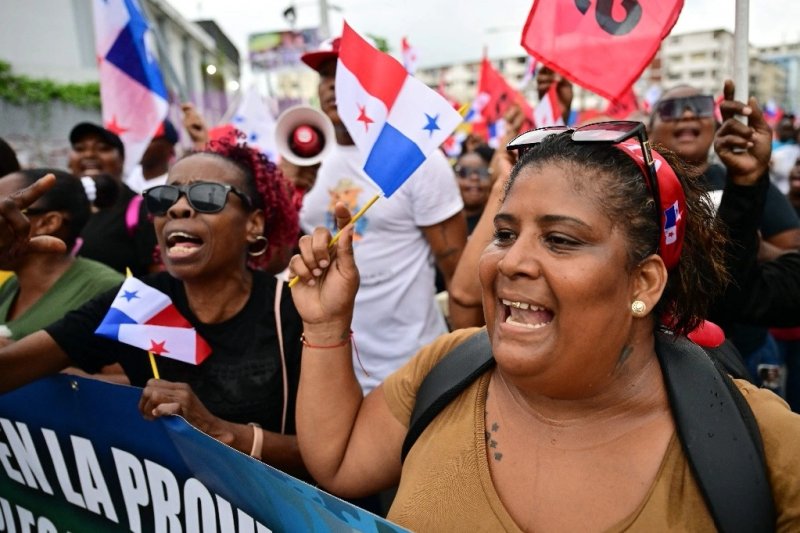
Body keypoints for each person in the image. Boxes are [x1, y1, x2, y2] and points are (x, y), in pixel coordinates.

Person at [289, 117, 800, 530]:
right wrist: (329, 325)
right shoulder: (446, 367)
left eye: (560, 240)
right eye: (506, 234)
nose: (512, 263)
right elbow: (337, 461)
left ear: (643, 283)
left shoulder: (764, 442)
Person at [0, 136, 306, 475]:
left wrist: (221, 431)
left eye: (207, 196)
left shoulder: (291, 310)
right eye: (165, 198)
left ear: (254, 224)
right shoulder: (139, 303)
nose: (177, 208)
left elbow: (333, 455)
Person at [297, 37, 467, 393]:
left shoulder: (417, 161)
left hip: (417, 368)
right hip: (335, 369)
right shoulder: (307, 166)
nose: (331, 84)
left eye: (344, 73)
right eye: (325, 74)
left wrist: (467, 369)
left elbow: (460, 278)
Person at [0, 168, 123, 341]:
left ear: (48, 223)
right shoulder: (11, 285)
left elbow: (136, 368)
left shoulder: (107, 289)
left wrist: (17, 357)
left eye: (5, 212)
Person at [67, 122, 158, 276]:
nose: (88, 155)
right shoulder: (59, 207)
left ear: (122, 159)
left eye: (103, 148)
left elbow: (158, 278)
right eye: (79, 148)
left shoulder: (142, 211)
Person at [124, 119, 180, 193]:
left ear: (169, 147)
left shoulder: (173, 187)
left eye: (148, 139)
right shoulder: (126, 175)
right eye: (138, 138)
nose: (140, 145)